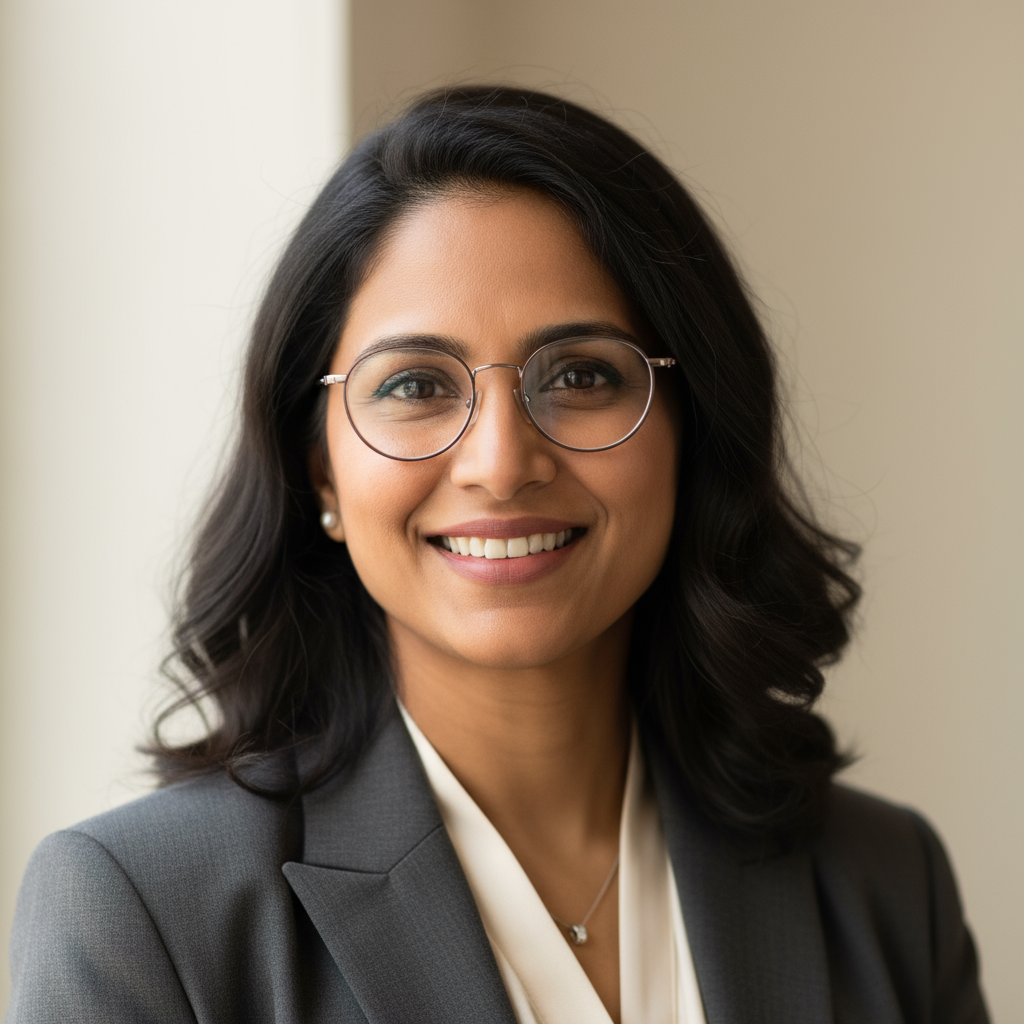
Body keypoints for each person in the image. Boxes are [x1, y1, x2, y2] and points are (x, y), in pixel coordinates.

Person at [6, 86, 988, 1023]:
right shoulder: (142, 909)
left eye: (579, 374)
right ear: (320, 472)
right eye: (413, 386)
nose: (500, 462)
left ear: (692, 435)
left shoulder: (883, 881)